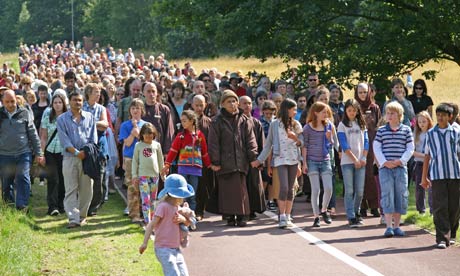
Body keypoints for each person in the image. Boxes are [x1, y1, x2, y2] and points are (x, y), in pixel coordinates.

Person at [208, 90, 258, 227]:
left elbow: (251, 140)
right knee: (227, 192)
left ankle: (242, 216)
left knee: (241, 191)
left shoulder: (244, 119)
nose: (232, 104)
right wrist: (215, 161)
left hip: (241, 162)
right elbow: (213, 143)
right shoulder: (216, 121)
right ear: (222, 104)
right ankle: (230, 216)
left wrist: (253, 157)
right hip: (224, 163)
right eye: (228, 101)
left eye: (234, 100)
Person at [252, 98, 303, 228]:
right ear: (287, 110)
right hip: (280, 159)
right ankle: (281, 216)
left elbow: (302, 143)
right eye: (294, 109)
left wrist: (295, 138)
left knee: (291, 189)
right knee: (284, 187)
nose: (295, 111)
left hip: (293, 160)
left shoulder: (296, 124)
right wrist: (259, 160)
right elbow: (268, 144)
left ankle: (288, 215)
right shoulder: (275, 124)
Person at [139, 174, 194, 276]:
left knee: (184, 274)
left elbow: (188, 223)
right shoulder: (163, 207)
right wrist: (144, 243)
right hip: (163, 249)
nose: (184, 197)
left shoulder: (178, 208)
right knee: (173, 274)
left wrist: (183, 219)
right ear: (176, 194)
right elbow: (151, 225)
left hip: (176, 249)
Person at [421, 104, 460, 249]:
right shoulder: (431, 134)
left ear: (450, 117)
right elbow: (427, 156)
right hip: (438, 175)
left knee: (455, 207)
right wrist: (424, 177)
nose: (440, 118)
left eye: (444, 115)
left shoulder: (456, 133)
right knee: (440, 206)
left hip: (455, 174)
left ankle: (453, 234)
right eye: (438, 115)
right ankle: (442, 238)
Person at [57, 92, 98, 228]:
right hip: (69, 158)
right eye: (75, 100)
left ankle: (81, 216)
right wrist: (76, 152)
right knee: (70, 188)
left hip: (87, 159)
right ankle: (73, 219)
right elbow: (64, 140)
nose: (77, 103)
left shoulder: (90, 117)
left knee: (87, 188)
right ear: (69, 101)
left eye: (80, 100)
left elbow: (94, 138)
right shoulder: (62, 119)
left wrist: (85, 152)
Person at [373, 101, 414, 237]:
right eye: (388, 113)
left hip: (401, 168)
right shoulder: (381, 131)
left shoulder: (406, 130)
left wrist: (400, 161)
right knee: (387, 195)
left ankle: (397, 226)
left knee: (400, 195)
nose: (389, 116)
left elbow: (410, 148)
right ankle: (388, 226)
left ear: (400, 115)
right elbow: (377, 147)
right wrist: (384, 162)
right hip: (385, 169)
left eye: (392, 113)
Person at [0, 89, 43, 210]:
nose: (10, 104)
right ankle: (8, 206)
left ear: (16, 100)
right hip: (4, 154)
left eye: (12, 101)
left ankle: (22, 206)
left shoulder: (24, 113)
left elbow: (33, 134)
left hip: (23, 153)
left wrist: (39, 152)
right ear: (2, 102)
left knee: (23, 177)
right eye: (7, 102)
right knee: (6, 182)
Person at [163, 110, 211, 211]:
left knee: (192, 194)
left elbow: (204, 152)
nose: (182, 123)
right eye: (182, 121)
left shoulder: (199, 136)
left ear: (192, 121)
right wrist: (167, 164)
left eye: (184, 121)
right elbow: (173, 151)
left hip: (196, 169)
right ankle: (182, 215)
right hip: (183, 169)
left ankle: (190, 216)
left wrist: (209, 164)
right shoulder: (181, 136)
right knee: (182, 194)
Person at [302, 102, 335, 227]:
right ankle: (316, 217)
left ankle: (324, 210)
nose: (326, 114)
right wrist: (304, 163)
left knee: (328, 188)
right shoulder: (307, 128)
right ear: (315, 113)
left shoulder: (329, 126)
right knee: (315, 190)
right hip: (312, 161)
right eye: (323, 112)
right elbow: (305, 146)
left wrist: (329, 138)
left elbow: (332, 144)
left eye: (326, 112)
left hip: (325, 160)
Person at [337, 99, 369, 227]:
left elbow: (366, 142)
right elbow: (344, 145)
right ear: (345, 111)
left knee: (360, 190)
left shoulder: (361, 124)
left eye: (354, 110)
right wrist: (354, 159)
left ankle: (357, 212)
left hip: (361, 161)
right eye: (349, 110)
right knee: (349, 190)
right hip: (348, 162)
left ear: (357, 111)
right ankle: (351, 216)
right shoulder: (342, 125)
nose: (351, 113)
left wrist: (364, 158)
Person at [355, 83, 382, 219]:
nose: (363, 95)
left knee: (372, 175)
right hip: (358, 142)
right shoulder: (354, 107)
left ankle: (375, 206)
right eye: (360, 92)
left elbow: (378, 125)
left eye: (365, 92)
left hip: (372, 142)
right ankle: (363, 206)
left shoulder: (375, 107)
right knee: (361, 175)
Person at [119, 98, 147, 223]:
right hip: (130, 159)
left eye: (138, 108)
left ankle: (144, 212)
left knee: (144, 186)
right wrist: (133, 132)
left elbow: (147, 143)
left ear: (142, 110)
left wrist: (138, 133)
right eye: (133, 108)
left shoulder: (146, 126)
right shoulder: (125, 125)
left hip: (144, 159)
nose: (135, 111)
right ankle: (134, 214)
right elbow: (127, 142)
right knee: (132, 186)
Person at [40, 93, 67, 216]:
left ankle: (61, 205)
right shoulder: (47, 118)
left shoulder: (68, 117)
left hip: (64, 152)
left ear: (63, 104)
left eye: (59, 102)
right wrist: (41, 154)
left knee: (63, 179)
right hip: (50, 151)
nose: (57, 105)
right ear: (52, 104)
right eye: (55, 102)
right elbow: (44, 137)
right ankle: (52, 206)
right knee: (53, 179)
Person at [132, 123, 164, 224]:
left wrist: (162, 173)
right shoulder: (138, 145)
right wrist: (134, 176)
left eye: (150, 134)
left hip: (154, 176)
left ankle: (153, 219)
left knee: (153, 199)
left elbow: (160, 160)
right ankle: (147, 220)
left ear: (154, 134)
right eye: (146, 134)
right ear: (142, 135)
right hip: (143, 176)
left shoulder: (156, 145)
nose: (148, 136)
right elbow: (135, 161)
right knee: (146, 199)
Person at [240, 96, 266, 219]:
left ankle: (252, 211)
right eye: (244, 103)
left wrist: (260, 161)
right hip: (241, 160)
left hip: (254, 160)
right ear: (239, 105)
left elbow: (262, 144)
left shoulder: (256, 122)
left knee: (254, 185)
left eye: (249, 103)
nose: (247, 106)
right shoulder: (237, 122)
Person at [142, 82, 175, 155]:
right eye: (148, 91)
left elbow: (169, 131)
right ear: (143, 93)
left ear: (157, 93)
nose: (151, 94)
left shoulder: (164, 109)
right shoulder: (140, 109)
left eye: (153, 91)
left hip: (160, 151)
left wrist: (167, 151)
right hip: (142, 151)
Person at [413, 111, 434, 215]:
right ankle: (421, 209)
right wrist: (425, 156)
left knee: (431, 187)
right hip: (420, 163)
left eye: (424, 121)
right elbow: (412, 151)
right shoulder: (416, 134)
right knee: (419, 186)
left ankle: (432, 210)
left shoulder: (432, 133)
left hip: (431, 164)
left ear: (428, 121)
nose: (421, 124)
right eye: (420, 122)